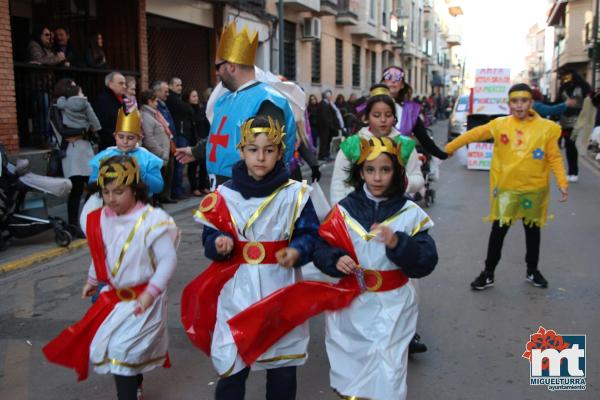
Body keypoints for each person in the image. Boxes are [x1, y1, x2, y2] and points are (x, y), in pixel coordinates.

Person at [218, 137, 437, 400]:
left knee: (389, 371)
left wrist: (398, 242)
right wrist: (336, 259)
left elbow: (426, 260)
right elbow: (322, 246)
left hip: (393, 307)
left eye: (385, 170)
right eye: (370, 170)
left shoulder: (410, 213)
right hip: (351, 306)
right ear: (360, 172)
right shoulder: (345, 211)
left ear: (397, 172)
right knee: (353, 374)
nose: (377, 177)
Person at [180, 116, 319, 400]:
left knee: (281, 365)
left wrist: (297, 251)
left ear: (280, 152)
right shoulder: (224, 195)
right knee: (232, 363)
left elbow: (310, 234)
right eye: (253, 149)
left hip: (280, 290)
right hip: (237, 292)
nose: (261, 157)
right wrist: (218, 243)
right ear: (242, 151)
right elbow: (210, 236)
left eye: (269, 150)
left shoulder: (295, 195)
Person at [43, 155, 178, 400]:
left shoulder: (153, 221)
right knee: (117, 351)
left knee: (122, 351)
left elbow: (168, 260)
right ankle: (130, 389)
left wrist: (152, 292)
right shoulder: (102, 219)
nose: (111, 198)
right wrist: (92, 281)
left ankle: (129, 392)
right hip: (114, 298)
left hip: (144, 301)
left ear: (136, 189)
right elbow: (101, 255)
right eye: (106, 192)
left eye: (119, 191)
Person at [445, 83, 569, 290]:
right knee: (498, 232)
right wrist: (449, 148)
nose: (519, 106)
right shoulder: (500, 125)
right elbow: (473, 134)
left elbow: (554, 157)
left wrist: (562, 182)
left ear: (531, 103)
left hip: (534, 189)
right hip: (507, 190)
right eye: (515, 101)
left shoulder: (546, 129)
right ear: (509, 103)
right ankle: (488, 273)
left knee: (532, 232)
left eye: (524, 101)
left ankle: (532, 270)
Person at [174, 22, 297, 190]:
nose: (216, 73)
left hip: (248, 193)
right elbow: (224, 137)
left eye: (218, 67)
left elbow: (271, 154)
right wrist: (195, 151)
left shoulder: (267, 101)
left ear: (231, 66)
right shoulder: (224, 100)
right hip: (220, 191)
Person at [330, 84, 424, 205]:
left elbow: (418, 178)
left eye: (388, 115)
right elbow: (339, 182)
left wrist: (403, 183)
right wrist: (339, 212)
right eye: (376, 115)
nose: (383, 120)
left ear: (394, 118)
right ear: (367, 117)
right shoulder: (352, 144)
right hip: (356, 211)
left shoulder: (405, 145)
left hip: (394, 211)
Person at [54, 80, 101, 234]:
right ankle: (74, 225)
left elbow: (92, 128)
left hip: (85, 150)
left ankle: (86, 219)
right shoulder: (56, 109)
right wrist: (85, 131)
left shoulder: (80, 109)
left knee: (96, 186)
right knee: (77, 190)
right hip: (71, 153)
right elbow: (63, 131)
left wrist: (84, 132)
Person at [89, 107, 164, 196]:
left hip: (139, 204)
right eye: (121, 137)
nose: (125, 141)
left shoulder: (147, 157)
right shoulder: (104, 156)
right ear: (115, 136)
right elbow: (92, 183)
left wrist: (141, 173)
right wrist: (105, 176)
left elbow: (158, 187)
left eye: (130, 138)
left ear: (139, 138)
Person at [381, 66, 447, 160]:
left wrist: (443, 155)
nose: (393, 81)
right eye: (388, 77)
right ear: (383, 82)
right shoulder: (370, 106)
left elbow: (424, 139)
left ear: (402, 85)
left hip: (403, 165)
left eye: (398, 77)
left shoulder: (410, 111)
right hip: (376, 164)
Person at [557, 69, 592, 182]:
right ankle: (572, 171)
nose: (565, 78)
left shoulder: (583, 87)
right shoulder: (563, 88)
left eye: (567, 76)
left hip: (578, 120)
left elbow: (590, 102)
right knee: (568, 145)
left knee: (573, 144)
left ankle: (574, 171)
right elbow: (557, 103)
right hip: (565, 121)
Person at [182, 88, 211, 196]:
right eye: (193, 96)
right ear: (188, 98)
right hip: (193, 139)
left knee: (203, 165)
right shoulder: (187, 110)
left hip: (203, 137)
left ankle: (203, 185)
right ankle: (194, 187)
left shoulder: (201, 108)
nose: (196, 98)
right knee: (193, 165)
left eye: (197, 96)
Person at [166, 77, 189, 199]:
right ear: (170, 86)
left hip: (180, 134)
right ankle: (176, 190)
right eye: (177, 85)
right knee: (179, 164)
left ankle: (178, 189)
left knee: (180, 165)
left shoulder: (177, 98)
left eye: (181, 85)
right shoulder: (172, 99)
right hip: (177, 135)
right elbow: (186, 109)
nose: (180, 87)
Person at [92, 71, 127, 150]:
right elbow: (101, 126)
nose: (124, 86)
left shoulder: (126, 100)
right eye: (121, 83)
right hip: (110, 146)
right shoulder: (102, 100)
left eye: (125, 84)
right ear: (110, 84)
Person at [317, 90, 341, 160]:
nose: (331, 97)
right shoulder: (323, 104)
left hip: (327, 128)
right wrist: (330, 126)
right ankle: (323, 156)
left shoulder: (327, 103)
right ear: (327, 96)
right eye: (330, 96)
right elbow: (325, 117)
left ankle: (326, 155)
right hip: (324, 128)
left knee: (327, 142)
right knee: (324, 142)